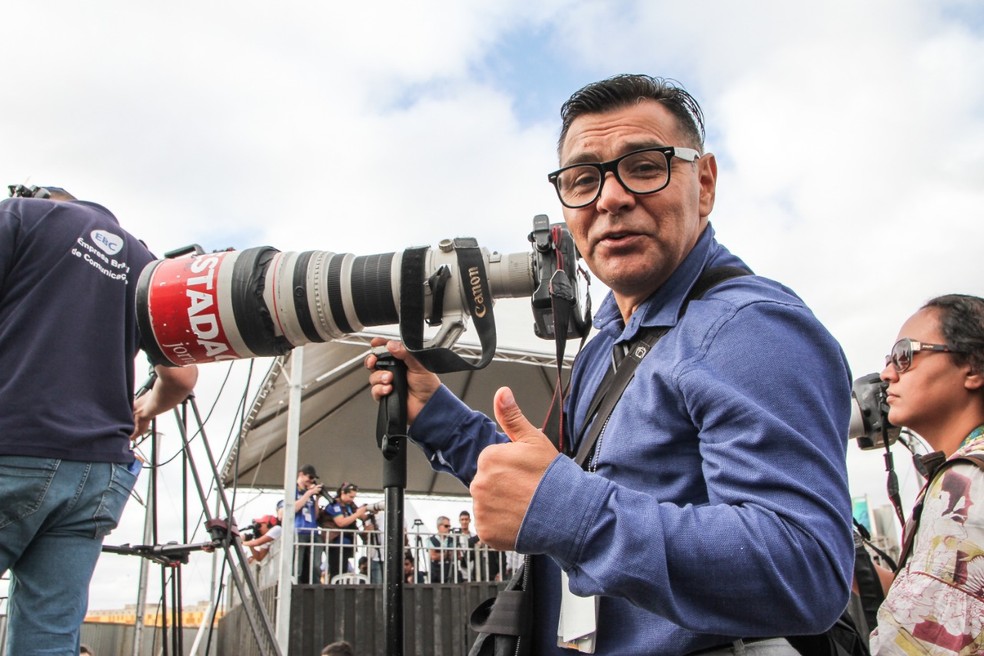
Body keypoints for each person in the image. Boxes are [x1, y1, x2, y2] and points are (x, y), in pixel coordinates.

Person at [367, 74, 855, 654]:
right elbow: (555, 489)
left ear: (704, 182)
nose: (610, 198)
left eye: (644, 167)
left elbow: (805, 567)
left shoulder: (748, 326)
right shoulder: (606, 343)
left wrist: (567, 511)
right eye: (582, 179)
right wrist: (438, 418)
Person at [0, 185, 199, 656]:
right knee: (48, 636)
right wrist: (144, 410)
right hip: (96, 475)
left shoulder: (22, 216)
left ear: (45, 195)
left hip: (14, 444)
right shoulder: (147, 263)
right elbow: (182, 377)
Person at [868, 294, 984, 654]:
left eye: (906, 355)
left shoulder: (964, 481)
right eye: (890, 360)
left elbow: (918, 643)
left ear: (974, 368)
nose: (887, 374)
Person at [324, 482, 368, 580]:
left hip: (347, 542)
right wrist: (357, 514)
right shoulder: (334, 505)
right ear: (343, 492)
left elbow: (362, 516)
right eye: (350, 496)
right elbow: (341, 522)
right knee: (336, 571)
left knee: (343, 570)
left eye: (354, 497)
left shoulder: (350, 506)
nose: (352, 500)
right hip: (335, 543)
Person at [291, 464, 325, 584]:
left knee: (316, 565)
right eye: (309, 477)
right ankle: (295, 587)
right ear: (301, 474)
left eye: (313, 479)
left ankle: (315, 586)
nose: (311, 481)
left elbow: (315, 515)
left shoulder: (309, 493)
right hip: (299, 531)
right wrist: (309, 493)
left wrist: (317, 499)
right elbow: (293, 508)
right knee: (297, 566)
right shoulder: (293, 490)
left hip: (313, 531)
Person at [427, 516, 455, 583]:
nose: (448, 528)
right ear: (439, 526)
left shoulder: (452, 540)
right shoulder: (430, 540)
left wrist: (440, 554)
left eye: (449, 526)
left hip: (449, 571)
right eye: (446, 526)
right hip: (435, 571)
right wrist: (447, 554)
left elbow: (456, 555)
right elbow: (433, 556)